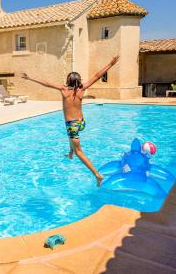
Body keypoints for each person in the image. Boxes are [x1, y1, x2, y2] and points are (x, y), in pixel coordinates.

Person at [21, 55, 120, 187]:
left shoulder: (63, 90)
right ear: (79, 80)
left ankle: (97, 174)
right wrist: (111, 63)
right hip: (81, 122)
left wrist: (30, 78)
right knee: (71, 135)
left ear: (68, 80)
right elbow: (97, 75)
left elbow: (46, 83)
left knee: (79, 151)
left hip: (72, 125)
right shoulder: (82, 89)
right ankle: (70, 153)